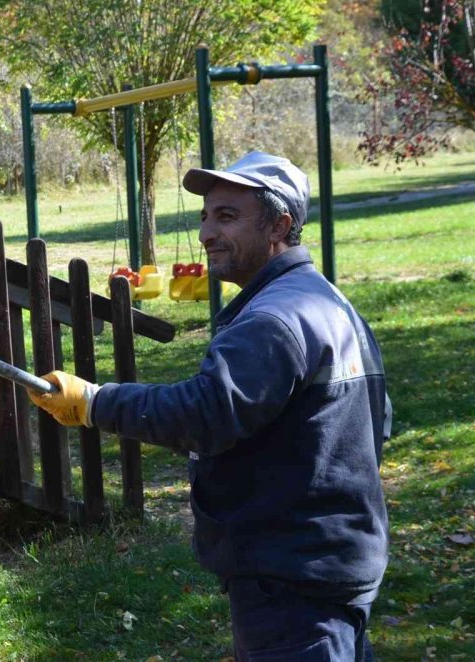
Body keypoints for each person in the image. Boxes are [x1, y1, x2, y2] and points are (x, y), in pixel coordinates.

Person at [29, 152, 389, 662]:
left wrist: (94, 402)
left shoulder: (274, 320)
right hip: (332, 563)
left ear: (279, 226)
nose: (205, 234)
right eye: (205, 216)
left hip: (292, 579)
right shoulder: (326, 301)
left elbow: (204, 413)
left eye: (226, 216)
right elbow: (381, 419)